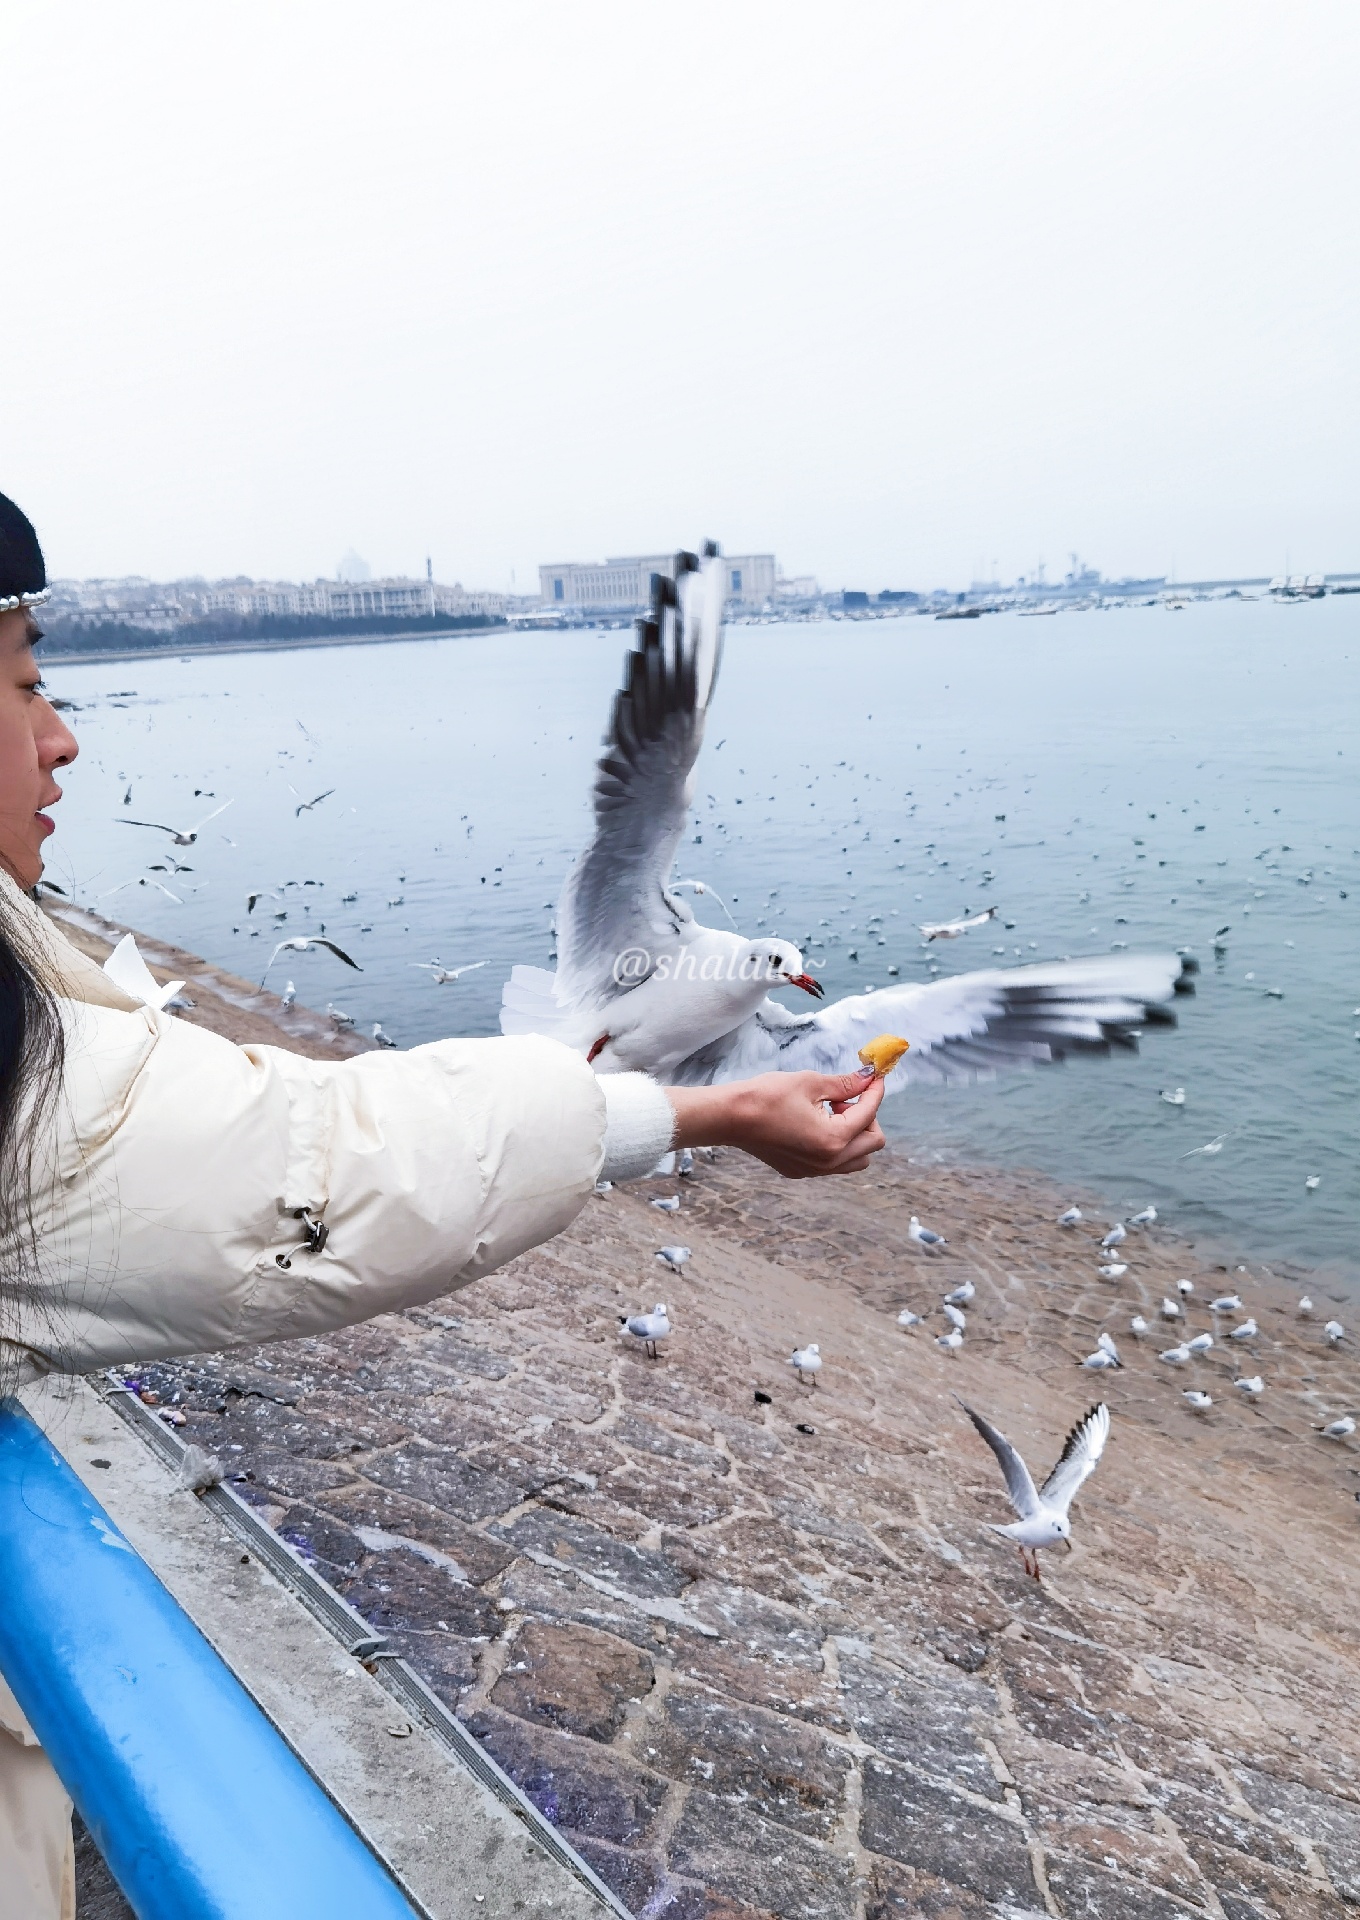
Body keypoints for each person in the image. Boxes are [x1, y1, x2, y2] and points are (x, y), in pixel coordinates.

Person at [0, 490, 886, 1919]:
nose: (63, 736)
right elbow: (314, 1168)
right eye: (25, 681)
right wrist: (694, 1116)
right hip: (566, 1065)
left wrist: (688, 1104)